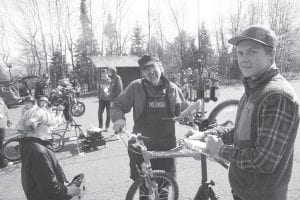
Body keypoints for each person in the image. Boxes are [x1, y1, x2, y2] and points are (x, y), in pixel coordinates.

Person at [186, 25, 299, 200]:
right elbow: (241, 133)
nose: (243, 59)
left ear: (271, 54)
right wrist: (204, 136)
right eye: (240, 53)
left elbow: (264, 160)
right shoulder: (254, 87)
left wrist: (221, 150)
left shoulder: (276, 96)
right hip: (244, 192)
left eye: (252, 52)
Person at [111, 53, 188, 183]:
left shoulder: (172, 89)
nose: (150, 72)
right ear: (142, 73)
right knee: (146, 188)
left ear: (160, 67)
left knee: (164, 187)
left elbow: (184, 113)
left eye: (153, 67)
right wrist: (119, 119)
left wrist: (193, 117)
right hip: (142, 146)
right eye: (145, 69)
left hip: (166, 147)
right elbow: (117, 106)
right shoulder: (136, 87)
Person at [18, 105, 81, 200]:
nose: (52, 128)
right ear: (35, 125)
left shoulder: (30, 144)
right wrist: (68, 190)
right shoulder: (38, 151)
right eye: (48, 125)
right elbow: (50, 187)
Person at [0, 96, 12, 168]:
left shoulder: (1, 99)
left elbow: (6, 110)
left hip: (1, 126)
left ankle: (3, 163)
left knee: (1, 145)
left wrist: (8, 119)